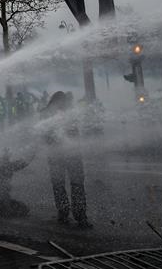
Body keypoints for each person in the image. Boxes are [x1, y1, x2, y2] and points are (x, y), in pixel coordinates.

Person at [43, 91, 91, 228]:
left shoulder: (49, 114)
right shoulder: (63, 113)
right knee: (72, 185)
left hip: (64, 155)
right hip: (66, 155)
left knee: (66, 185)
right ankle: (77, 215)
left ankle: (68, 214)